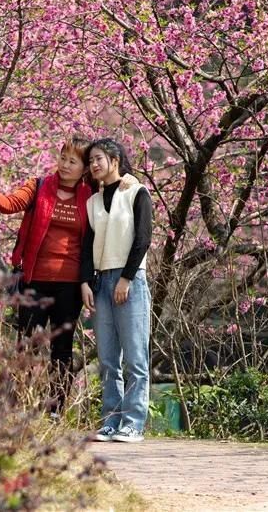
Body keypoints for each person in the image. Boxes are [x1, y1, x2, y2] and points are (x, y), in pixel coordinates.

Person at [0, 136, 92, 415]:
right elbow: (8, 204)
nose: (65, 165)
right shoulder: (39, 185)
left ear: (84, 168)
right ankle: (18, 406)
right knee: (26, 345)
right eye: (63, 158)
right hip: (34, 280)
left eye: (73, 161)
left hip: (70, 285)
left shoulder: (90, 195)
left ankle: (55, 409)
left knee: (62, 350)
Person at [81, 138, 153, 443]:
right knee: (108, 358)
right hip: (100, 282)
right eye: (91, 161)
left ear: (115, 159)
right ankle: (111, 420)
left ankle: (133, 423)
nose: (94, 165)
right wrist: (84, 281)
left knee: (135, 357)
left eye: (99, 158)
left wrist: (125, 278)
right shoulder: (92, 202)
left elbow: (143, 238)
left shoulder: (136, 192)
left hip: (131, 280)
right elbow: (86, 246)